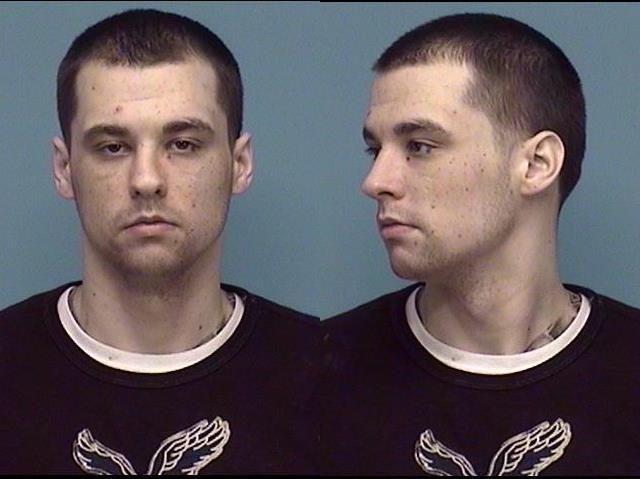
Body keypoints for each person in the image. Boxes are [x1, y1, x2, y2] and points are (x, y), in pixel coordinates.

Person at [315, 13, 640, 475]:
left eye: (419, 146)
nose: (375, 181)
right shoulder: (316, 375)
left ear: (536, 164)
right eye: (375, 149)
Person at [0, 9, 320, 474]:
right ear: (64, 169)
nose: (147, 180)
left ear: (240, 164)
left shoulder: (325, 375)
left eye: (183, 144)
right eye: (113, 147)